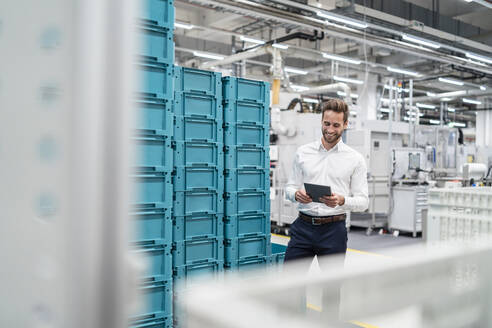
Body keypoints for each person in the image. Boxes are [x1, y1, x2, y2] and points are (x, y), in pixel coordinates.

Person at [284, 98, 369, 318]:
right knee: (289, 284)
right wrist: (296, 194)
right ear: (321, 121)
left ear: (346, 124)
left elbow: (363, 201)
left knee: (331, 290)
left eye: (336, 125)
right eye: (326, 123)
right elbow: (289, 186)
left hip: (333, 230)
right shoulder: (303, 152)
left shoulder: (355, 159)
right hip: (303, 226)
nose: (330, 129)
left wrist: (342, 201)